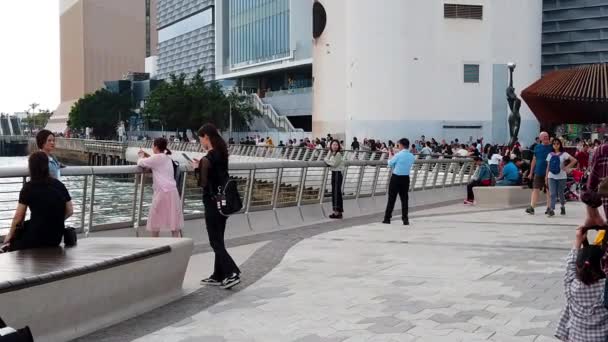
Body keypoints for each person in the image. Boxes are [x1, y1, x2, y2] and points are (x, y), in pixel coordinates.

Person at [193, 124, 241, 290]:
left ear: (206, 136)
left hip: (212, 203)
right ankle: (218, 275)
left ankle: (231, 272)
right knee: (219, 239)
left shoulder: (208, 158)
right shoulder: (222, 154)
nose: (200, 142)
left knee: (215, 241)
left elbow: (203, 183)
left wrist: (196, 169)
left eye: (200, 139)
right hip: (224, 202)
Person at [2, 152, 73, 251]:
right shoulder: (59, 185)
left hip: (35, 237)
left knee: (10, 245)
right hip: (55, 238)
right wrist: (54, 221)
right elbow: (70, 211)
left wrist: (9, 236)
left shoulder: (28, 187)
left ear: (31, 167)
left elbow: (18, 218)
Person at [555, 226, 608, 342]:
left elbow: (570, 265)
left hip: (576, 338)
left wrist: (578, 240)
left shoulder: (571, 286)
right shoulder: (605, 287)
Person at [137, 138, 184, 237]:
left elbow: (141, 163)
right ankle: (176, 243)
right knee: (173, 219)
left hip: (162, 191)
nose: (152, 147)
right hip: (172, 191)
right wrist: (147, 156)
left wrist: (141, 156)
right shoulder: (167, 158)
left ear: (156, 147)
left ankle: (155, 242)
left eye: (153, 145)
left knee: (155, 218)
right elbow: (156, 162)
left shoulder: (156, 158)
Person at [383, 138, 416, 225]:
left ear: (401, 145)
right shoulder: (412, 156)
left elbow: (390, 163)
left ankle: (387, 218)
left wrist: (390, 155)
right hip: (406, 178)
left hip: (396, 178)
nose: (398, 146)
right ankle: (405, 219)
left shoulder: (398, 155)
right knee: (404, 199)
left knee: (392, 198)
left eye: (398, 145)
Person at [546, 138, 577, 217]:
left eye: (557, 143)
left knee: (560, 194)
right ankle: (552, 209)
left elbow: (574, 160)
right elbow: (548, 167)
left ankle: (562, 206)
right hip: (551, 176)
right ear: (552, 145)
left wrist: (567, 167)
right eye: (554, 144)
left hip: (562, 177)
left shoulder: (564, 154)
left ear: (560, 145)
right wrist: (546, 177)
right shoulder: (550, 154)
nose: (556, 145)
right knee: (552, 194)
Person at [526, 131, 553, 215]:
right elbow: (534, 160)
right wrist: (531, 172)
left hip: (549, 172)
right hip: (538, 171)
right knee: (535, 189)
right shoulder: (537, 147)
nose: (546, 138)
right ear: (540, 138)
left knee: (549, 190)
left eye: (547, 136)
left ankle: (549, 207)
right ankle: (532, 207)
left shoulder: (552, 147)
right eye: (544, 136)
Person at [325, 140, 345, 219]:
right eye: (333, 144)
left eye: (336, 145)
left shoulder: (338, 154)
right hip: (335, 173)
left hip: (337, 174)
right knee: (337, 192)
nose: (335, 146)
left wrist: (326, 160)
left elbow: (333, 164)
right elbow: (332, 162)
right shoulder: (334, 154)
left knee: (336, 193)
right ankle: (339, 212)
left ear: (339, 146)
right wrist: (329, 154)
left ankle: (336, 212)